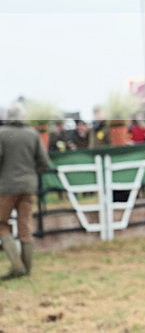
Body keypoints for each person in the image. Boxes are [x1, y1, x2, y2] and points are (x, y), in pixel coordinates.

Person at [0, 104, 52, 280]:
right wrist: (31, 174)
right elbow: (45, 163)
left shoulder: (2, 134)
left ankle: (17, 266)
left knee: (1, 225)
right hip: (29, 187)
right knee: (25, 228)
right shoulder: (33, 134)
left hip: (6, 188)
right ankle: (27, 269)